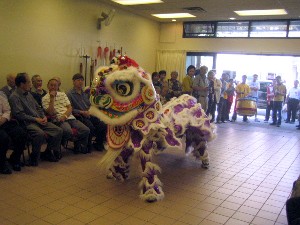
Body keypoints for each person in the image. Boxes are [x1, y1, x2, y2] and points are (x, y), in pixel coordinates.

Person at [9, 73, 63, 165]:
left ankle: (47, 152)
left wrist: (43, 116)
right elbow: (20, 115)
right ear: (22, 84)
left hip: (39, 120)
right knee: (40, 133)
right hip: (27, 123)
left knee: (58, 130)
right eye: (29, 82)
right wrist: (36, 119)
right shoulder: (14, 97)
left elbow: (38, 107)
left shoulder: (28, 94)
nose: (30, 84)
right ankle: (34, 157)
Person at [42, 78, 90, 154]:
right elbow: (50, 113)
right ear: (48, 86)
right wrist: (52, 98)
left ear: (58, 87)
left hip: (69, 117)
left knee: (86, 130)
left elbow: (70, 107)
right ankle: (62, 145)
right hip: (58, 119)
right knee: (68, 131)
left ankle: (76, 143)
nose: (53, 87)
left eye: (55, 85)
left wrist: (65, 116)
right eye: (51, 85)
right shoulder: (44, 98)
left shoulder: (63, 94)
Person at [67, 73, 106, 151]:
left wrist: (91, 110)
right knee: (90, 126)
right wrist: (82, 112)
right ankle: (86, 145)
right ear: (73, 82)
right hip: (79, 115)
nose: (80, 82)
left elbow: (90, 104)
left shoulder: (85, 93)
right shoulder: (70, 94)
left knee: (102, 124)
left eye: (82, 80)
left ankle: (98, 144)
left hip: (89, 113)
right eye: (78, 80)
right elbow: (70, 108)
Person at [0, 91, 27, 174]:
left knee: (21, 133)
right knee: (3, 138)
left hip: (4, 121)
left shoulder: (1, 95)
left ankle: (15, 158)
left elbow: (7, 110)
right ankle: (2, 163)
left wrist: (3, 119)